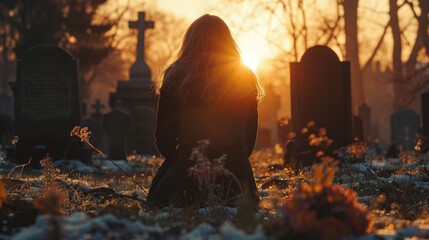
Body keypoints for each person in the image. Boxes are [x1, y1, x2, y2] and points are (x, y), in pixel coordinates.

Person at [147, 14, 263, 208]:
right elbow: (248, 139)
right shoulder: (244, 77)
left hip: (187, 176)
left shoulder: (176, 77)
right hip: (235, 180)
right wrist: (233, 160)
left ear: (189, 42)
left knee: (162, 204)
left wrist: (183, 161)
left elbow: (164, 138)